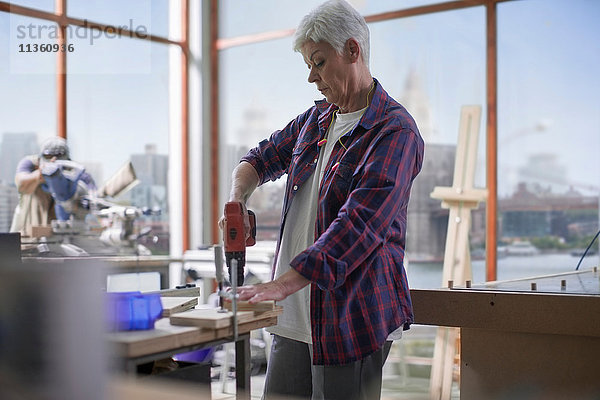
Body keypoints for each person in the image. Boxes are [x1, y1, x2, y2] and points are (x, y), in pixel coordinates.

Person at [222, 1, 424, 399]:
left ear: (352, 51)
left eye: (318, 62)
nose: (312, 78)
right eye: (308, 66)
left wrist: (280, 286)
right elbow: (257, 159)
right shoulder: (315, 120)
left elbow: (359, 226)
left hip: (351, 317)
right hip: (295, 314)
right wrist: (236, 201)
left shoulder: (395, 131)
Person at [10, 136, 96, 236]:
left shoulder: (76, 172)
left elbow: (94, 201)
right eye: (48, 156)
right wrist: (39, 175)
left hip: (64, 236)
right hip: (30, 236)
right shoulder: (31, 164)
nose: (53, 160)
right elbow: (21, 184)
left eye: (59, 157)